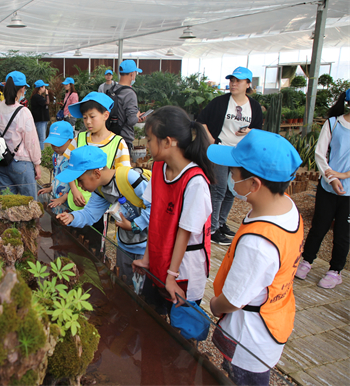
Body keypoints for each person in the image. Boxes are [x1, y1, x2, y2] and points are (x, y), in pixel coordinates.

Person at [207, 130, 303, 386]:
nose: (229, 177)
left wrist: (215, 305)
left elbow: (234, 300)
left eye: (234, 173)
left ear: (254, 184)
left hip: (248, 340)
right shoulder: (287, 209)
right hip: (274, 319)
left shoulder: (258, 243)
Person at [132, 106, 214, 314]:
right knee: (153, 320)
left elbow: (184, 232)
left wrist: (171, 276)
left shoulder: (194, 181)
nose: (147, 145)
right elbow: (156, 218)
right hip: (161, 260)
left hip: (183, 269)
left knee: (181, 330)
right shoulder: (159, 168)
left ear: (168, 142)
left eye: (150, 140)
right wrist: (146, 259)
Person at [56, 145, 150, 283]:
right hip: (125, 244)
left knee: (146, 290)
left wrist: (134, 226)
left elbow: (155, 206)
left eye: (80, 180)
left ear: (96, 174)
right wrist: (72, 217)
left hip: (147, 247)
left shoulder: (130, 177)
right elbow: (90, 214)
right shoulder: (100, 190)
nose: (79, 186)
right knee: (126, 283)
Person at [197, 66, 263, 246]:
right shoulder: (220, 102)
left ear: (248, 84)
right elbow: (201, 121)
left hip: (240, 153)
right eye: (232, 80)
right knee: (217, 189)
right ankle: (213, 228)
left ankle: (221, 222)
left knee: (231, 190)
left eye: (238, 81)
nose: (233, 84)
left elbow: (258, 130)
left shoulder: (254, 107)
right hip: (220, 150)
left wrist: (249, 131)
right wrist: (212, 141)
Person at [296, 89, 350, 289]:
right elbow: (320, 154)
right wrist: (331, 177)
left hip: (348, 192)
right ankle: (306, 261)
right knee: (319, 226)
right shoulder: (333, 123)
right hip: (328, 187)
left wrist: (343, 176)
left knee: (343, 233)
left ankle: (335, 271)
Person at [63, 92, 130, 212]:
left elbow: (123, 176)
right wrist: (74, 189)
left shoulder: (118, 143)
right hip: (76, 201)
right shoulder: (79, 139)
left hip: (101, 207)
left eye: (92, 117)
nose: (88, 121)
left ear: (105, 115)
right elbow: (68, 167)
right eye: (84, 117)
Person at [0, 71, 41, 199]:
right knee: (29, 205)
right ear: (22, 89)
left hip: (1, 162)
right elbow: (31, 141)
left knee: (8, 206)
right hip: (21, 163)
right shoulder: (23, 112)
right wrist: (37, 164)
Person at [38, 121, 74, 214]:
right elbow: (56, 176)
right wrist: (50, 188)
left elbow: (77, 185)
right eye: (53, 144)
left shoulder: (73, 159)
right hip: (55, 199)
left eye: (59, 144)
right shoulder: (55, 156)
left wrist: (64, 198)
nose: (55, 147)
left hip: (68, 203)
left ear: (70, 140)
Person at [106, 60, 143, 152]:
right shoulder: (130, 93)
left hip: (110, 137)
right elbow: (131, 121)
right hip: (124, 140)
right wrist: (137, 115)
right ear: (132, 74)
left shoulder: (112, 90)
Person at [30, 80, 51, 152]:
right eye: (44, 87)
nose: (45, 88)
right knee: (42, 138)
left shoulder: (38, 96)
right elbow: (47, 102)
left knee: (42, 138)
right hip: (40, 120)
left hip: (42, 120)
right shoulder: (36, 97)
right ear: (40, 88)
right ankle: (41, 153)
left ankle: (40, 152)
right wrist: (47, 94)